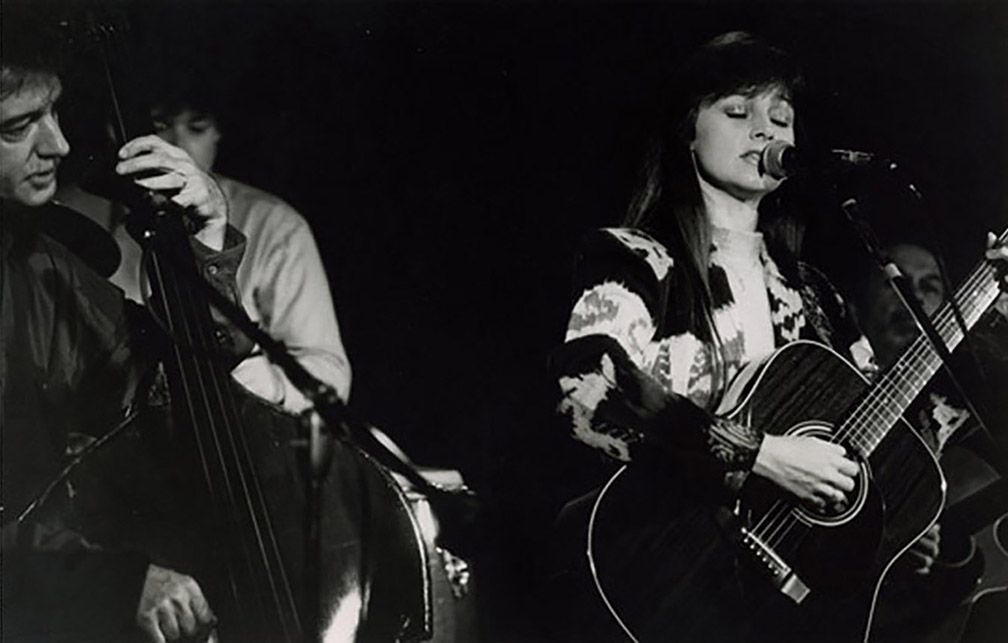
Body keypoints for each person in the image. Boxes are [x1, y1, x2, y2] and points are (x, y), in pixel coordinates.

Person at [550, 31, 1008, 640]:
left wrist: (989, 303)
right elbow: (586, 388)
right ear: (688, 132)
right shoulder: (639, 258)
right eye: (737, 111)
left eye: (781, 117)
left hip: (778, 605)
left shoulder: (811, 293)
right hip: (653, 566)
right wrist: (762, 454)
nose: (765, 129)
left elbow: (889, 428)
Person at [1, 6, 248, 641]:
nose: (57, 145)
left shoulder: (40, 264)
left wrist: (205, 240)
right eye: (18, 127)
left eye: (53, 112)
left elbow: (165, 394)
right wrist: (106, 583)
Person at [58, 63, 351, 412]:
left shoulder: (276, 225)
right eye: (161, 126)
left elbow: (329, 375)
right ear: (115, 130)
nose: (179, 147)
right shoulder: (70, 210)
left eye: (197, 128)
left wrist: (247, 377)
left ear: (218, 134)